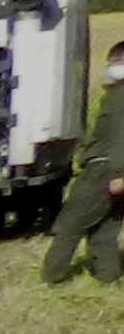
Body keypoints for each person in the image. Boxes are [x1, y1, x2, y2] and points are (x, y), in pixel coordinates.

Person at [45, 43, 124, 287]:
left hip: (103, 170)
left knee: (70, 223)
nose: (108, 69)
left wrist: (118, 173)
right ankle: (108, 278)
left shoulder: (121, 96)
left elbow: (122, 136)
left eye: (112, 64)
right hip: (109, 170)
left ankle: (53, 279)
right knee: (104, 230)